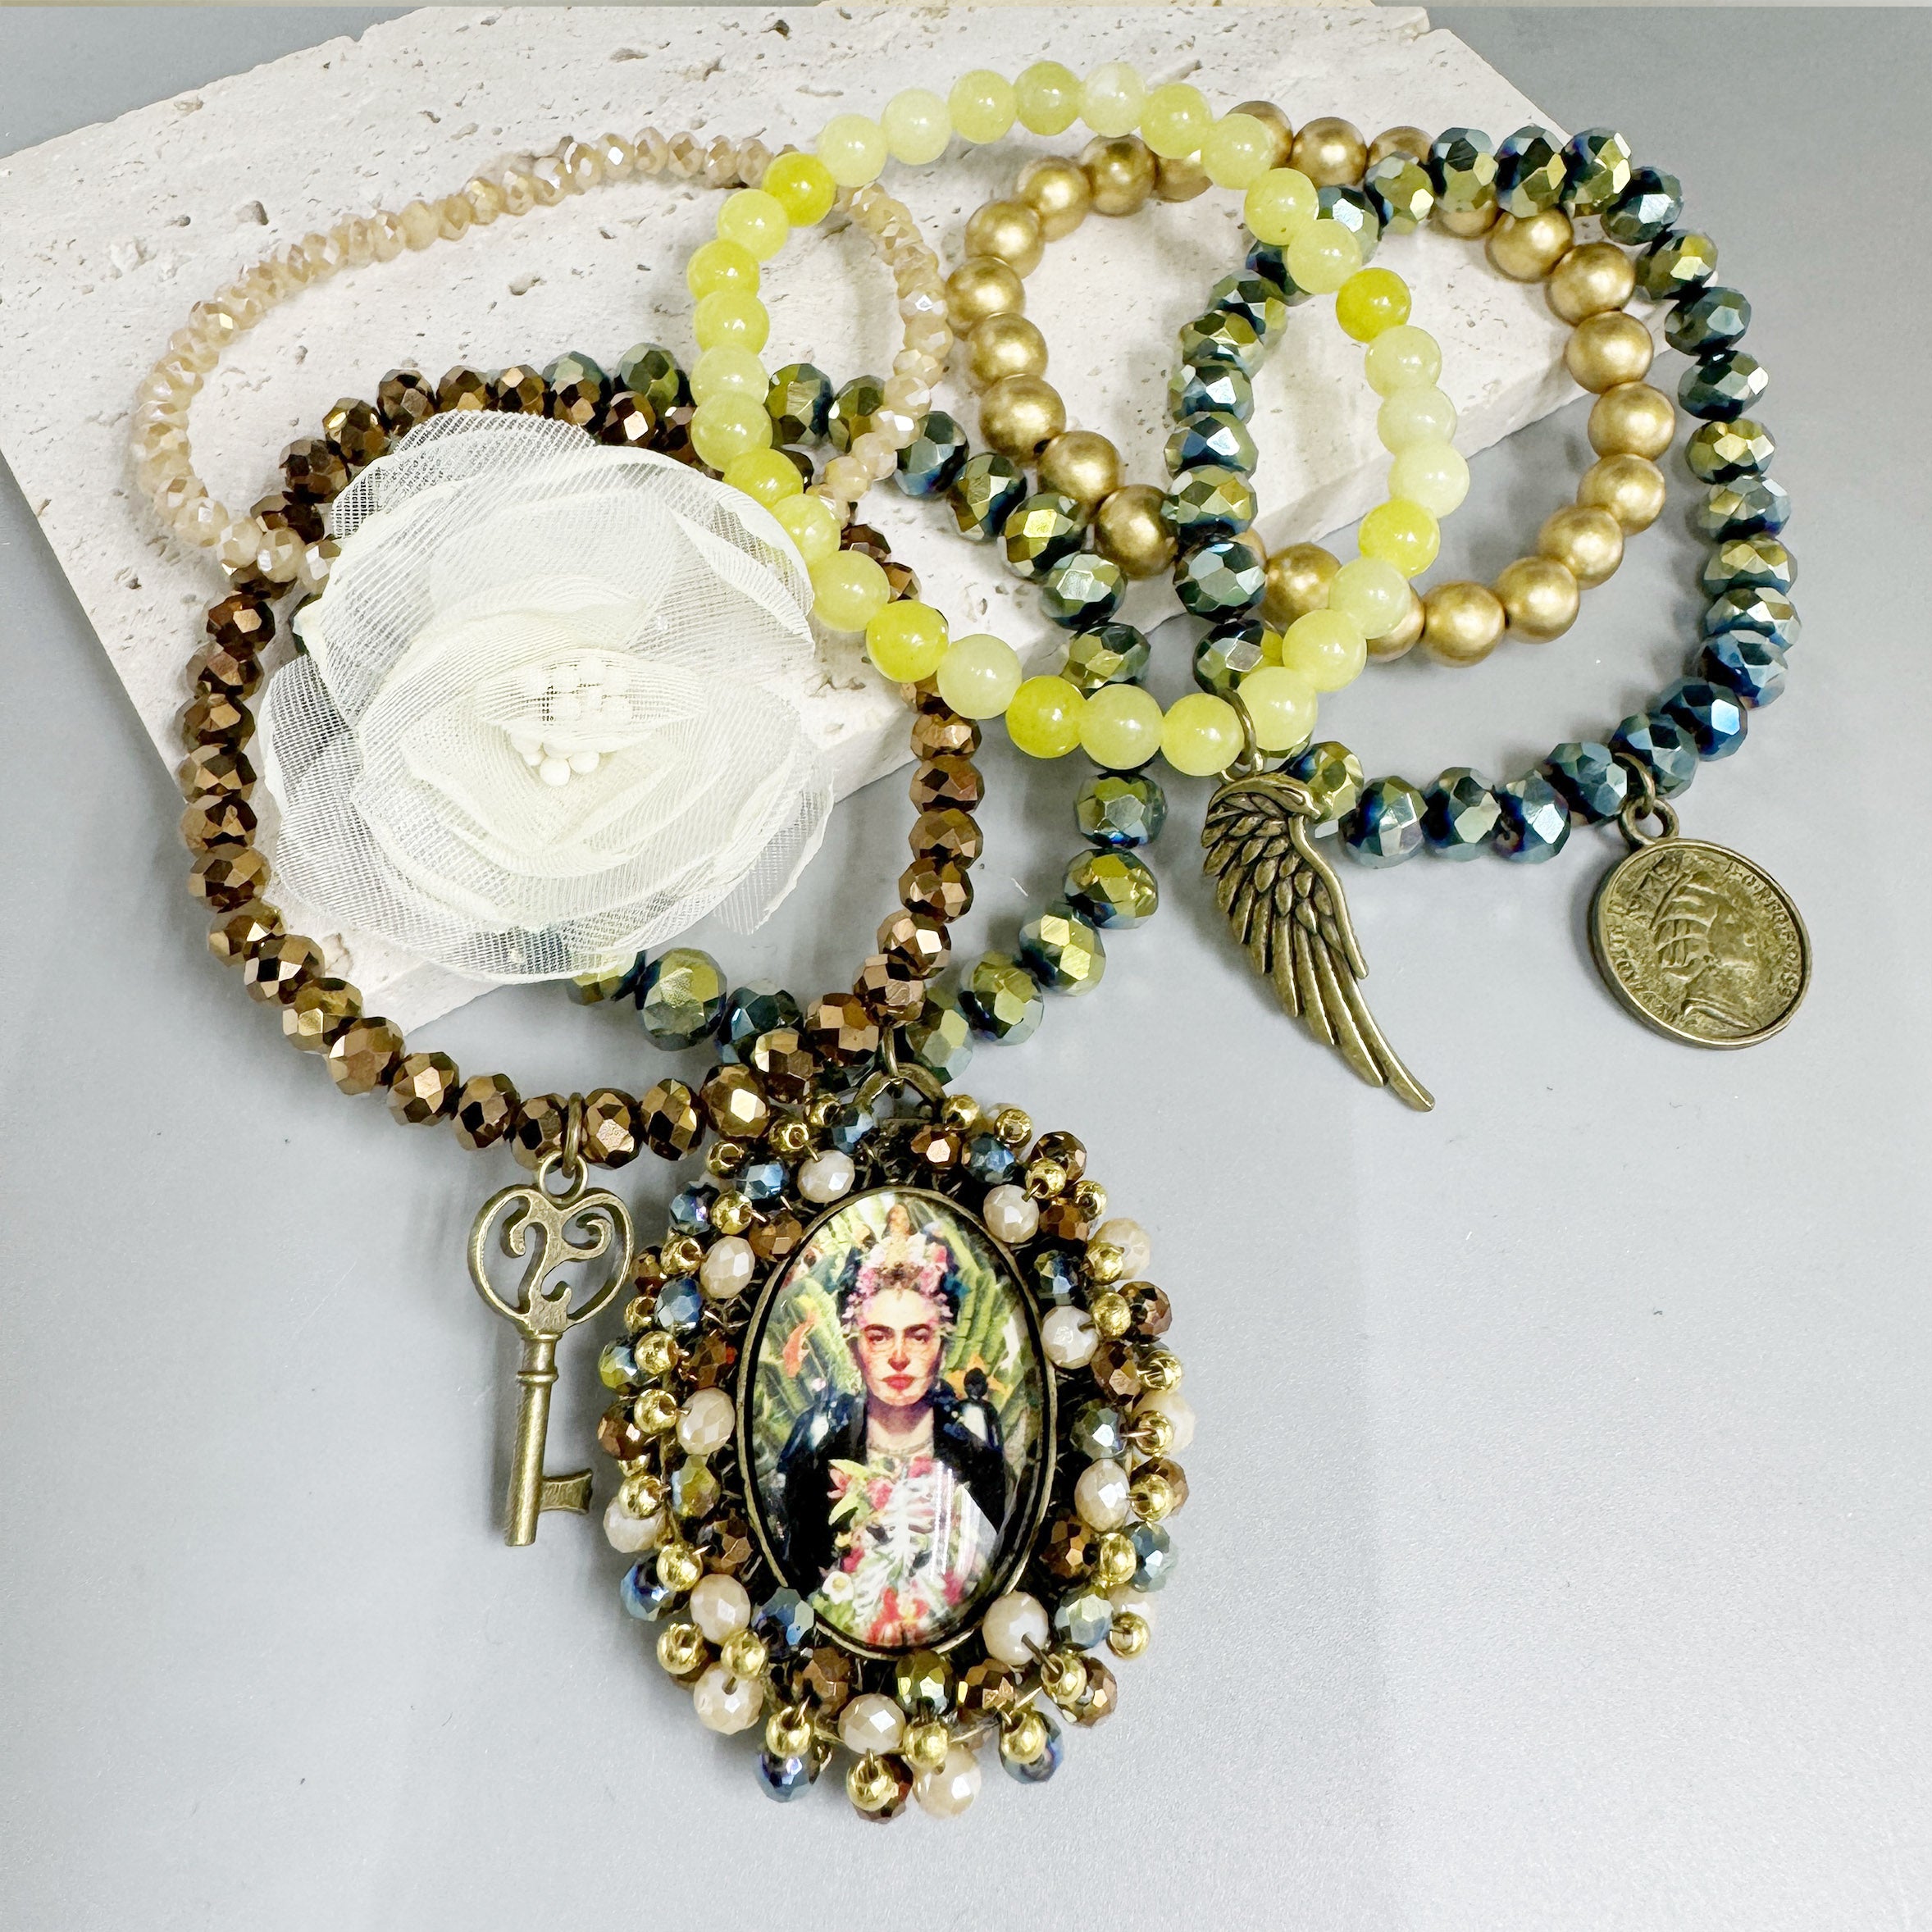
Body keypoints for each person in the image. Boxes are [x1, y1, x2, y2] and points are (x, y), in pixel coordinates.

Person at [776, 1206, 1007, 1648]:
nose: (899, 1357)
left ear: (942, 1348)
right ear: (854, 1349)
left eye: (918, 1336)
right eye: (879, 1336)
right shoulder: (817, 1464)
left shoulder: (979, 1465)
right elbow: (801, 1578)